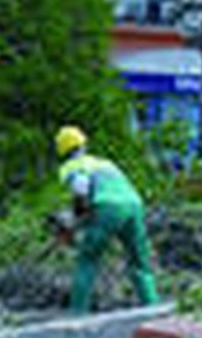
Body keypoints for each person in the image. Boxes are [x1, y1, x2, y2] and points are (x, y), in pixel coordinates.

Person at [56, 126, 159, 315]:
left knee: (87, 260)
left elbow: (81, 190)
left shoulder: (71, 166)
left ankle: (77, 313)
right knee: (140, 262)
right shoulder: (105, 163)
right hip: (134, 205)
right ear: (84, 144)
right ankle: (153, 307)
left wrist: (76, 220)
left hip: (107, 208)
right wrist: (85, 217)